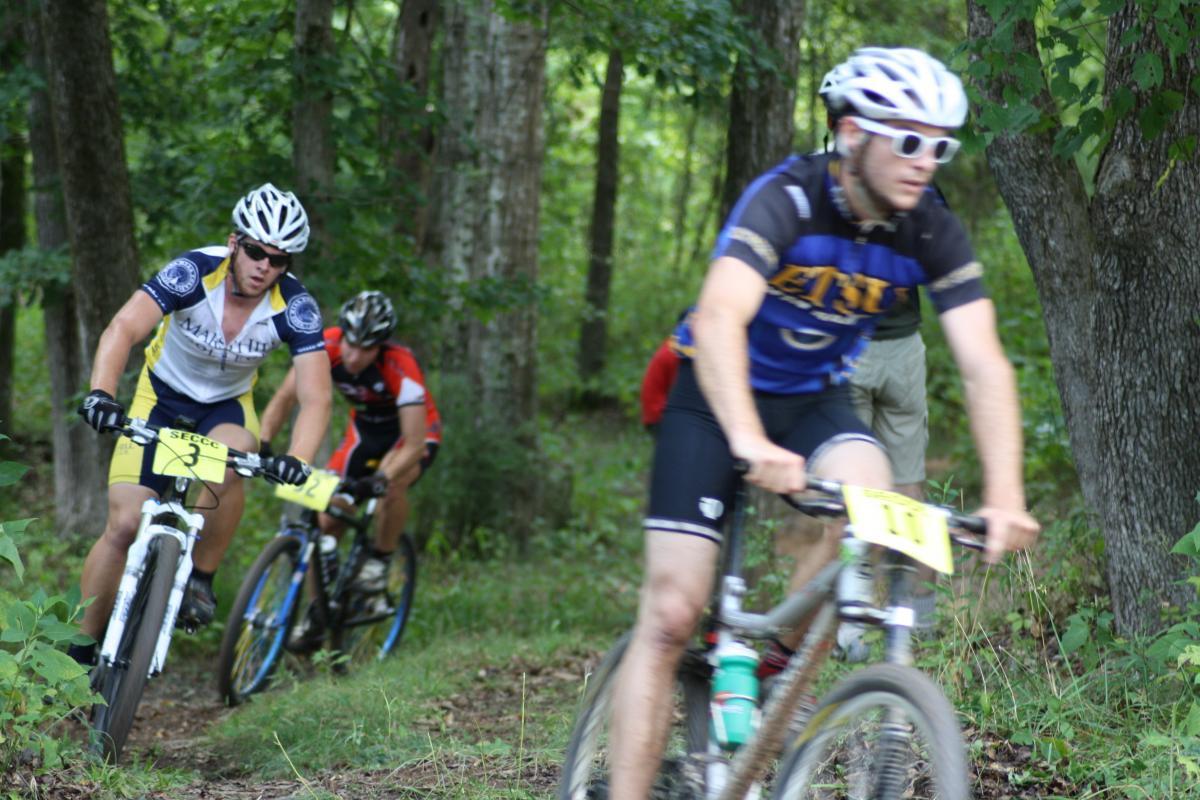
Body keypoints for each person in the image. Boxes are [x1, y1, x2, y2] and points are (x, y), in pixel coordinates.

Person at [606, 47, 1041, 797]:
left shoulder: (928, 228)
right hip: (712, 396)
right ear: (849, 133)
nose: (924, 162)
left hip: (812, 401)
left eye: (940, 146)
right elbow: (718, 317)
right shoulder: (788, 198)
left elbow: (983, 364)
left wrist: (1006, 495)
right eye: (907, 141)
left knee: (878, 508)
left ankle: (774, 660)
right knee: (674, 612)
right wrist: (747, 440)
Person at [71, 183, 332, 665]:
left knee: (231, 465)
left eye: (279, 260)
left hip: (225, 407)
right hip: (161, 396)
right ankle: (81, 646)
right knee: (125, 523)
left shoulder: (295, 308)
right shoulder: (192, 271)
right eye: (256, 252)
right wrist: (102, 394)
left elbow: (316, 397)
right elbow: (124, 328)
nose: (264, 267)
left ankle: (201, 577)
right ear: (235, 242)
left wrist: (298, 461)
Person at [259, 290, 441, 591]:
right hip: (365, 433)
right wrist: (264, 442)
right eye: (351, 344)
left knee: (390, 488)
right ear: (342, 334)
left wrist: (380, 477)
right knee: (327, 517)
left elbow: (414, 444)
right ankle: (317, 616)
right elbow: (286, 397)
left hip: (411, 436)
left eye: (366, 349)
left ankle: (378, 563)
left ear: (380, 347)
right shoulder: (326, 344)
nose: (354, 356)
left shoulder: (400, 365)